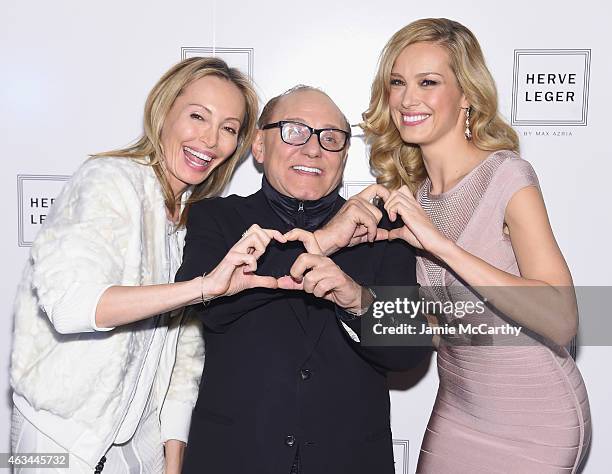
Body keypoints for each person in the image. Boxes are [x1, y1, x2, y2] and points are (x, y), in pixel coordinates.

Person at [9, 57, 285, 474]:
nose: (210, 140)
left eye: (228, 128)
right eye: (197, 116)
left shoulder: (193, 217)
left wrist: (172, 459)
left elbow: (183, 359)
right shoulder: (109, 180)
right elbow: (72, 308)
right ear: (164, 111)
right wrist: (204, 286)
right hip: (54, 442)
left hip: (136, 450)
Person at [361, 18, 591, 473]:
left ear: (466, 94)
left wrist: (441, 246)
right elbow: (435, 323)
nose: (408, 99)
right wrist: (354, 296)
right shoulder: (415, 196)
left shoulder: (506, 177)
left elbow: (563, 319)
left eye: (429, 82)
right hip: (459, 410)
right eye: (398, 83)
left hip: (535, 418)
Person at [175, 85, 430, 474]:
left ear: (344, 157)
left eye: (331, 139)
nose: (313, 149)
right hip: (234, 458)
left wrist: (357, 300)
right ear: (259, 146)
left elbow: (409, 352)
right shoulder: (216, 218)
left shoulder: (384, 231)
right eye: (294, 131)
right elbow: (209, 305)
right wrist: (325, 241)